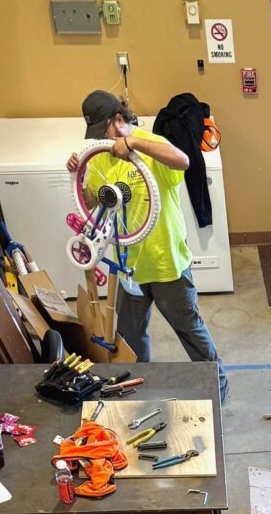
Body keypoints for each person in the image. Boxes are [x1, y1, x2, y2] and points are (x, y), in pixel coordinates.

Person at [66, 90, 228, 402]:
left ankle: (217, 389)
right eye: (96, 134)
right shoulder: (101, 155)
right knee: (130, 336)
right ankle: (140, 388)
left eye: (106, 131)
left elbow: (184, 161)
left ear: (119, 119)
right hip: (128, 266)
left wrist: (134, 143)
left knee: (190, 331)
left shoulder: (150, 147)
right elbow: (91, 200)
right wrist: (80, 172)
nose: (104, 139)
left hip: (166, 263)